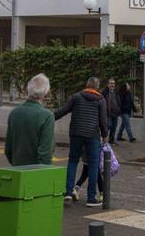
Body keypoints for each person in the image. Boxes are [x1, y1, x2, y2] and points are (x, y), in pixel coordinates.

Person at [54, 76, 108, 207]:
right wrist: (105, 135)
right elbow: (103, 120)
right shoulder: (101, 100)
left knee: (73, 161)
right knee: (93, 165)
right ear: (97, 87)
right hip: (92, 135)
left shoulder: (76, 97)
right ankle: (91, 198)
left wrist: (48, 117)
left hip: (76, 133)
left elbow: (63, 111)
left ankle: (68, 192)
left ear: (87, 85)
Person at [5, 74, 55, 166]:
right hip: (36, 171)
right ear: (46, 92)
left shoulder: (14, 113)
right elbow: (45, 152)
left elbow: (8, 148)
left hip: (17, 168)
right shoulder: (47, 116)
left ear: (28, 90)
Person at [102, 78, 120, 144]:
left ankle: (111, 140)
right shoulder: (104, 92)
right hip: (108, 113)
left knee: (114, 127)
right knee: (108, 126)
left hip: (115, 113)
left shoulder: (116, 91)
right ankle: (103, 139)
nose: (112, 85)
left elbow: (118, 101)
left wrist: (118, 109)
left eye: (113, 83)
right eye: (111, 83)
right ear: (108, 84)